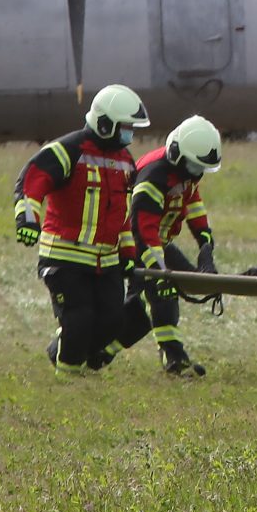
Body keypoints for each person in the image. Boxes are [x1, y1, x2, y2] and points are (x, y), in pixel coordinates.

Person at [13, 83, 158, 374]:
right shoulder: (67, 150)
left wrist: (128, 252)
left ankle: (62, 348)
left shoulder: (124, 161)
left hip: (107, 262)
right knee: (79, 319)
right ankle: (69, 378)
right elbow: (31, 182)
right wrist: (27, 219)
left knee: (113, 321)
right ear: (105, 124)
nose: (129, 133)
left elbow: (122, 214)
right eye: (125, 126)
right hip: (65, 260)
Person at [127, 115, 226, 378]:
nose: (197, 173)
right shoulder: (153, 175)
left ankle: (174, 359)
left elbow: (192, 201)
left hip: (158, 242)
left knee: (158, 301)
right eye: (194, 167)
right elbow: (143, 229)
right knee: (148, 302)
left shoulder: (188, 169)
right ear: (176, 153)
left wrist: (204, 239)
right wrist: (158, 270)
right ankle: (82, 351)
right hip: (131, 244)